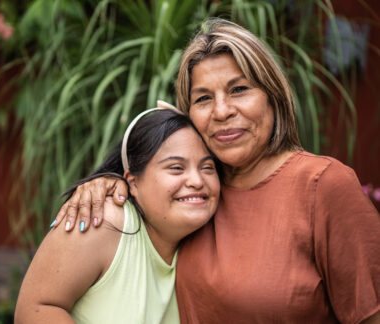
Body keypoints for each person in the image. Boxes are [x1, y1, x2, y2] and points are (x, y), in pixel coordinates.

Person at [52, 18, 380, 323]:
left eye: (239, 90)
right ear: (189, 113)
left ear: (272, 97)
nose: (221, 111)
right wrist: (107, 183)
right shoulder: (195, 193)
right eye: (204, 98)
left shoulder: (323, 186)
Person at [14, 108, 220, 323]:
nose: (197, 181)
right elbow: (34, 309)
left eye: (207, 168)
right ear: (133, 182)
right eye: (176, 168)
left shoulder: (206, 238)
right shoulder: (104, 220)